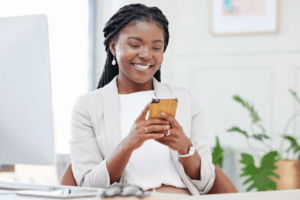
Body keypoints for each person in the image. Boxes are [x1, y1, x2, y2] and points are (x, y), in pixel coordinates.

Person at [70, 3, 215, 196]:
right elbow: (88, 187)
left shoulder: (185, 99)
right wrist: (128, 145)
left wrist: (185, 148)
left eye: (156, 47)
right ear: (113, 46)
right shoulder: (88, 107)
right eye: (134, 45)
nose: (146, 55)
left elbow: (206, 184)